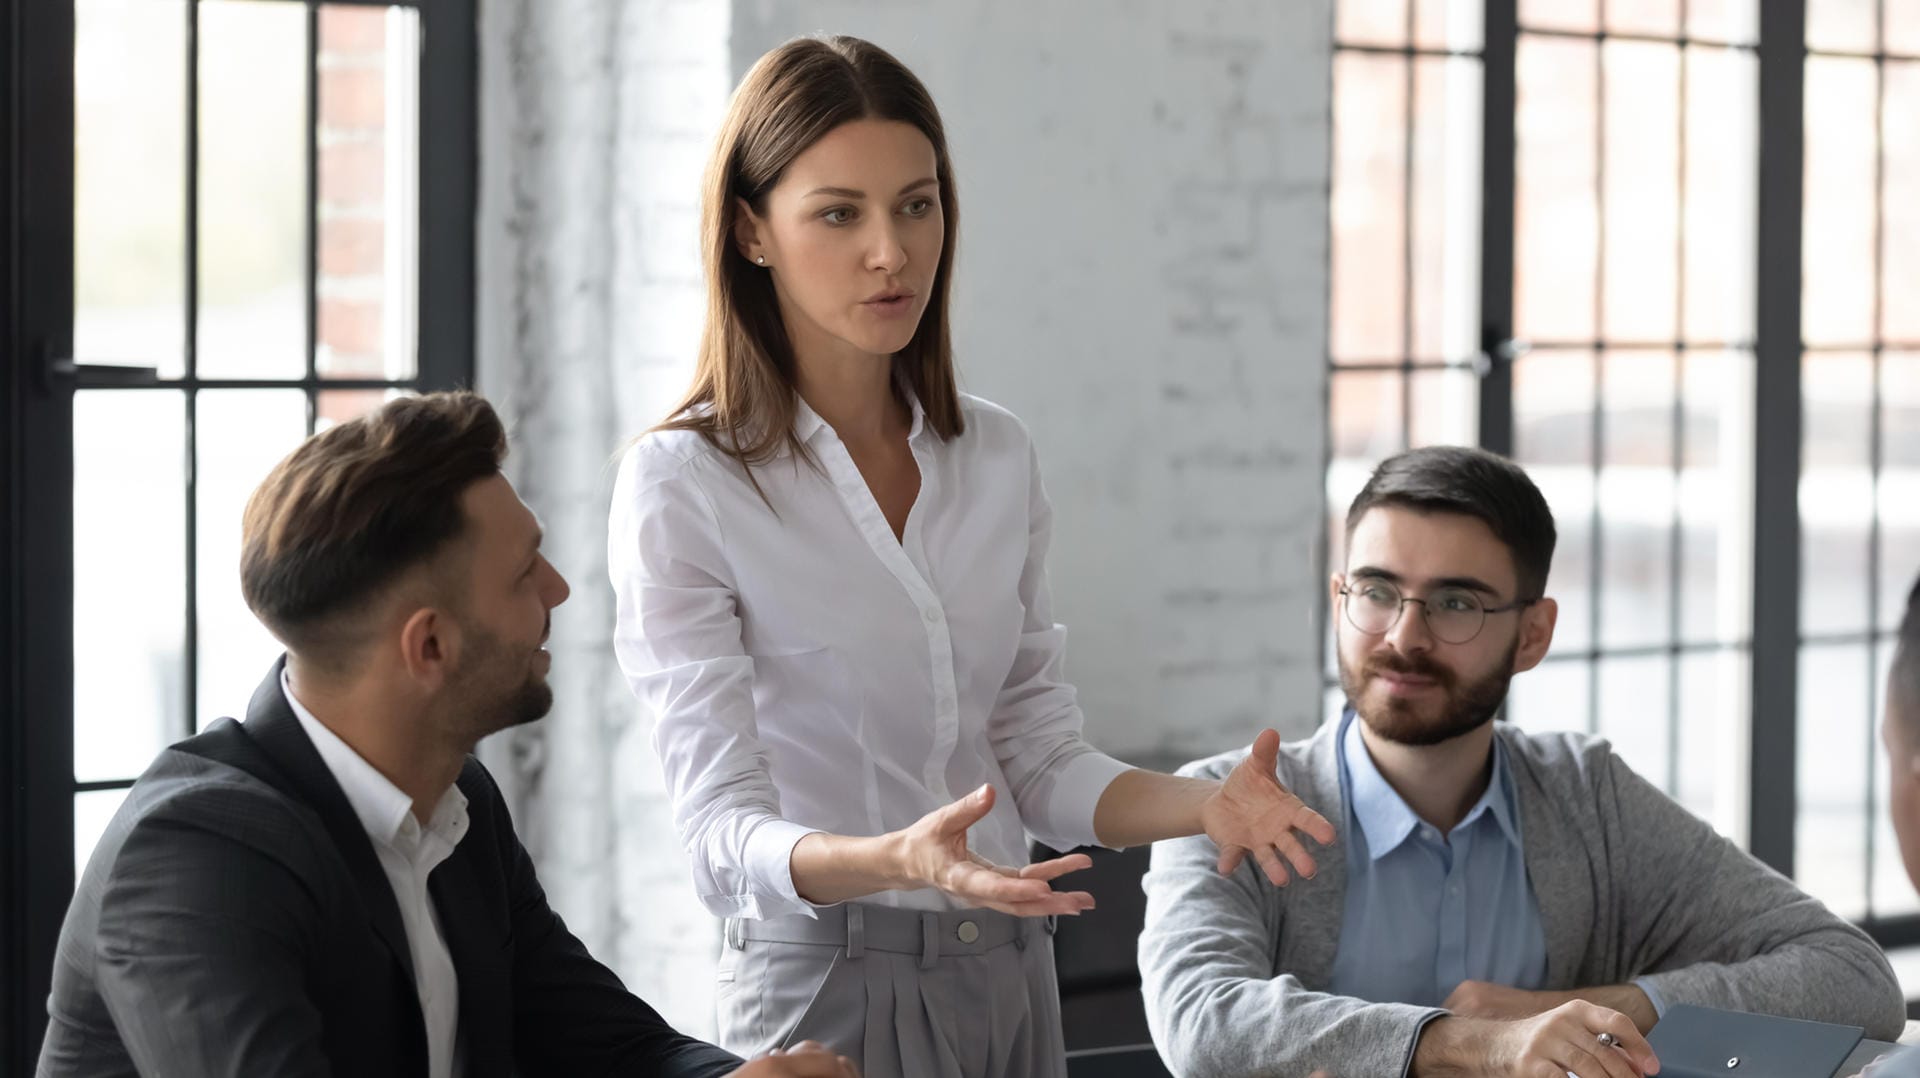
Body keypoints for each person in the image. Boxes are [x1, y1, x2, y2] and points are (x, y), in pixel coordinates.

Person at [607, 34, 1334, 1078]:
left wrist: (1200, 803)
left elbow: (1035, 759)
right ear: (750, 231)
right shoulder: (687, 481)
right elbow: (723, 837)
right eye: (838, 213)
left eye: (917, 203)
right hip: (824, 988)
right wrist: (895, 860)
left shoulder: (992, 454)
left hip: (1009, 969)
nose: (891, 252)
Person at [39, 393, 856, 1078]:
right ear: (428, 646)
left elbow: (594, 1040)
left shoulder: (458, 801)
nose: (560, 589)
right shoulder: (192, 857)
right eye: (523, 572)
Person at [1137, 445, 1905, 1078]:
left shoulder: (1588, 795)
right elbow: (1203, 1021)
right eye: (1377, 591)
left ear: (1533, 634)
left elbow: (1858, 980)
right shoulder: (1227, 799)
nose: (1404, 636)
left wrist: (1608, 1006)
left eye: (1456, 603)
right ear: (1341, 596)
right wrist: (1478, 1044)